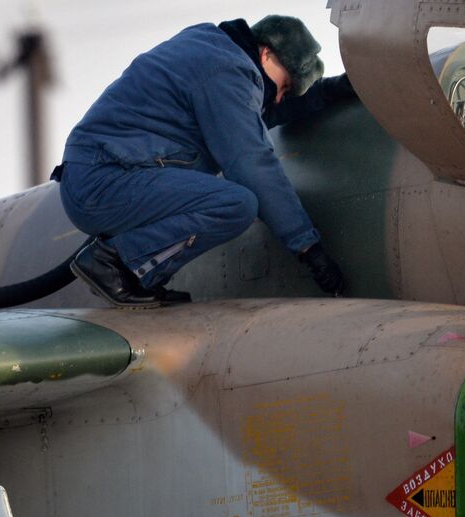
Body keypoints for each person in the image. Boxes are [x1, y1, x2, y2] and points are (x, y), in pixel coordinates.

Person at [57, 16, 352, 307]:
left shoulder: (216, 53)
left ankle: (125, 268)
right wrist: (307, 246)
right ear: (266, 53)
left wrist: (338, 90)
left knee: (232, 199)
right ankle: (113, 265)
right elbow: (252, 163)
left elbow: (260, 114)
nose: (278, 98)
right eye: (285, 85)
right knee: (236, 204)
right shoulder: (227, 70)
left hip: (104, 173)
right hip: (105, 180)